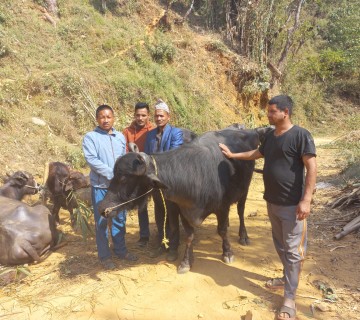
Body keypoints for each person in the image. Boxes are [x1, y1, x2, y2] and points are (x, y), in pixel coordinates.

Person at [219, 95, 317, 320]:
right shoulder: (271, 136)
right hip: (272, 202)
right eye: (268, 111)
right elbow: (258, 154)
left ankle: (289, 299)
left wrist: (306, 199)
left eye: (272, 111)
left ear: (285, 112)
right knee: (282, 247)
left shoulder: (300, 135)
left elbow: (311, 167)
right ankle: (286, 279)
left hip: (293, 205)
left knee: (293, 252)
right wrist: (233, 154)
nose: (268, 115)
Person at [82, 104, 138, 270]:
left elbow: (123, 159)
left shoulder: (120, 137)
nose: (105, 120)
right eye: (102, 117)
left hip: (119, 188)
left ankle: (121, 251)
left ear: (113, 118)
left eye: (108, 117)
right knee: (101, 221)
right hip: (101, 186)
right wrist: (112, 173)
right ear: (97, 119)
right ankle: (105, 256)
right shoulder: (90, 137)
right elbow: (91, 159)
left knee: (120, 219)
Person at [144, 99, 183, 262]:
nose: (158, 118)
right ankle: (162, 243)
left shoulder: (176, 133)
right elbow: (147, 156)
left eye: (161, 116)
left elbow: (174, 154)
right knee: (160, 213)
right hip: (154, 182)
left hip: (169, 182)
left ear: (168, 116)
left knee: (173, 213)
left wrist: (157, 166)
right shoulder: (150, 135)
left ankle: (173, 246)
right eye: (156, 116)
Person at [123, 102, 155, 247]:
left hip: (154, 172)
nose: (140, 118)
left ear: (148, 116)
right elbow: (125, 152)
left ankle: (164, 234)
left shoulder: (154, 130)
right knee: (141, 205)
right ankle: (144, 236)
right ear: (134, 115)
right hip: (137, 174)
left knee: (161, 204)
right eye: (138, 115)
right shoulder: (127, 132)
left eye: (143, 115)